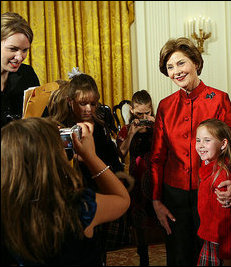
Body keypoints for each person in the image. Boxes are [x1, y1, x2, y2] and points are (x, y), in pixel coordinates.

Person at [151, 37, 231, 265]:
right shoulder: (165, 105)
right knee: (179, 257)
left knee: (212, 257)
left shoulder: (219, 99)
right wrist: (156, 201)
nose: (176, 72)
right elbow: (157, 157)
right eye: (170, 67)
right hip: (174, 196)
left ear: (195, 62)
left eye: (181, 63)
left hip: (212, 192)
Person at [1, 117, 130, 265]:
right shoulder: (78, 207)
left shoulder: (8, 212)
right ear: (52, 159)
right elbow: (122, 199)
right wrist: (91, 157)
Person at [48, 69, 128, 261]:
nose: (88, 109)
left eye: (93, 104)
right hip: (69, 197)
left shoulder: (99, 127)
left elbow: (113, 163)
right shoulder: (57, 127)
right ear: (70, 101)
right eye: (83, 103)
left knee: (97, 250)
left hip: (99, 191)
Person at [195, 119, 231, 266]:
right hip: (212, 240)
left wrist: (228, 255)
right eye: (198, 140)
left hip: (222, 246)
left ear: (223, 144)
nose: (200, 145)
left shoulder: (221, 177)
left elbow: (226, 222)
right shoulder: (208, 168)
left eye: (207, 140)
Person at [116, 89, 156, 266]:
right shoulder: (126, 129)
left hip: (156, 177)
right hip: (136, 179)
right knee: (138, 220)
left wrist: (156, 127)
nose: (144, 117)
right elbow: (121, 153)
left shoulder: (158, 125)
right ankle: (143, 256)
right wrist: (132, 132)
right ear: (132, 110)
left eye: (147, 112)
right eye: (140, 113)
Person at [1, 12, 40, 127]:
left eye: (24, 50)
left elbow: (40, 119)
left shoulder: (27, 74)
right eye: (13, 49)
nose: (20, 57)